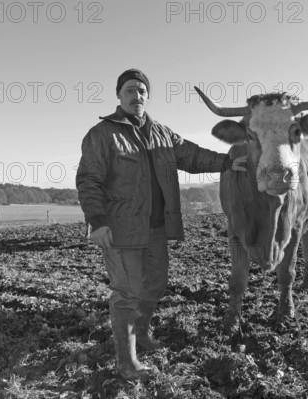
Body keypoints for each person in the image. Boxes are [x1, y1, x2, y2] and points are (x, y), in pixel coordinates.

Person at [76, 68, 246, 380]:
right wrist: (97, 222)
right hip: (119, 229)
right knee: (126, 292)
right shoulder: (102, 135)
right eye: (129, 90)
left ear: (148, 96)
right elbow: (89, 180)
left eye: (141, 90)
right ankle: (126, 362)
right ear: (118, 96)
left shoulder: (162, 134)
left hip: (155, 229)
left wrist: (225, 162)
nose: (136, 95)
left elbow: (192, 156)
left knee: (154, 285)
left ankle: (140, 335)